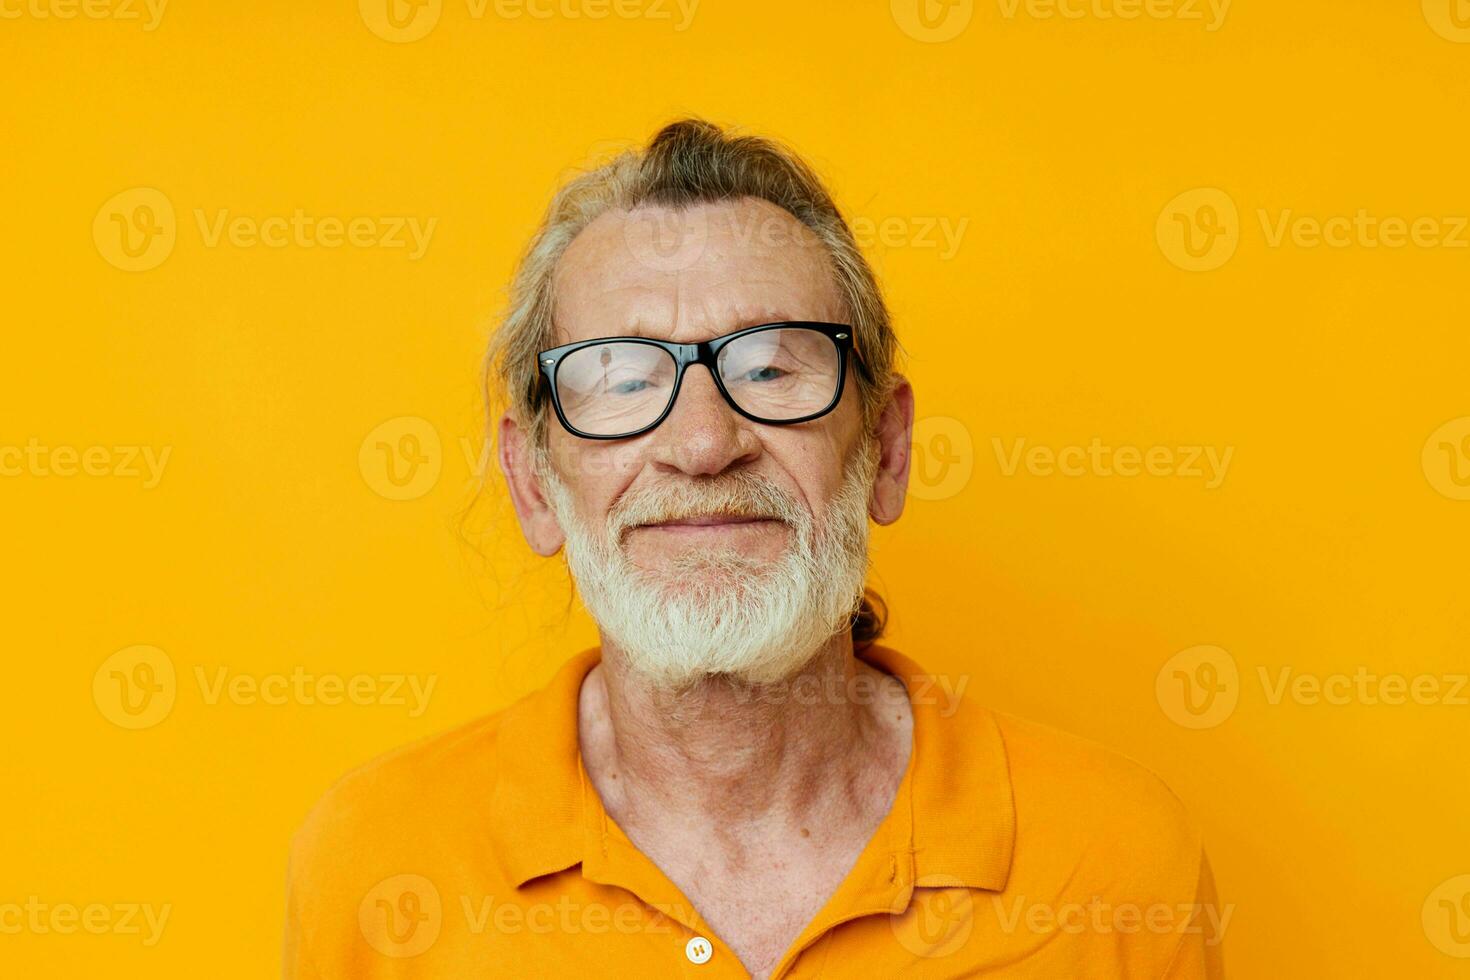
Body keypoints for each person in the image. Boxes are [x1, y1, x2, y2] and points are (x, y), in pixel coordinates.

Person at [284, 118, 1226, 979]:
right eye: (619, 377)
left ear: (886, 450)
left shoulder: (1118, 857)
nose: (702, 444)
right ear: (534, 481)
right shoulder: (378, 861)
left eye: (771, 368)